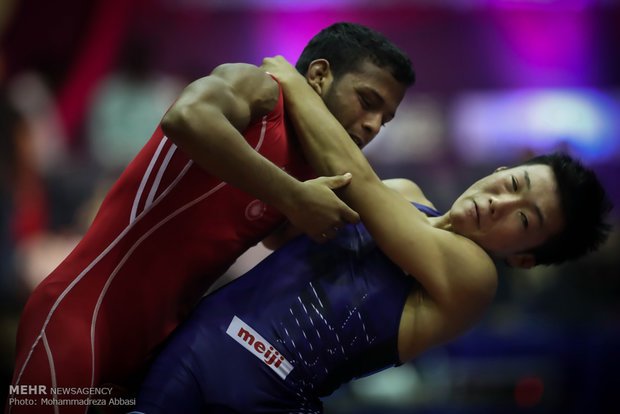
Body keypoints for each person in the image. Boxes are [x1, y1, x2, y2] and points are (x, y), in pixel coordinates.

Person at [129, 58, 612, 413]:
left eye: (525, 220)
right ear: (503, 170)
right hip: (204, 340)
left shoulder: (474, 279)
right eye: (513, 185)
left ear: (524, 259)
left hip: (269, 395)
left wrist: (294, 83)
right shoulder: (403, 192)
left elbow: (355, 178)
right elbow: (285, 233)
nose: (500, 202)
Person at [7, 23, 415, 413]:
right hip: (82, 315)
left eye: (386, 118)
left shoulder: (310, 171)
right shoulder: (260, 90)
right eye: (367, 102)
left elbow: (273, 236)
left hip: (154, 346)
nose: (373, 125)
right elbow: (185, 118)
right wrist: (294, 198)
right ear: (320, 74)